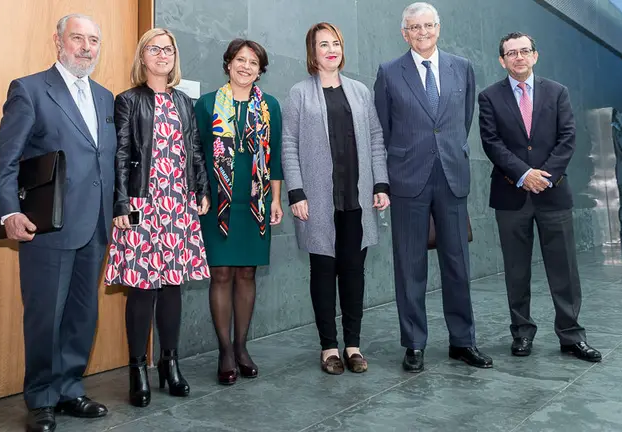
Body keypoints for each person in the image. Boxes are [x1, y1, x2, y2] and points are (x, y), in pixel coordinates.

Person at [0, 13, 114, 432]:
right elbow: (5, 159)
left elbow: (105, 161)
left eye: (93, 40)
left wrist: (117, 210)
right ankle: (41, 397)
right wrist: (9, 212)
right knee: (45, 314)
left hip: (95, 225)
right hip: (49, 226)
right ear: (58, 42)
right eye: (77, 38)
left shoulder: (104, 97)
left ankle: (69, 389)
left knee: (83, 313)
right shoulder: (29, 90)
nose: (86, 47)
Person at [373, 2, 492, 373]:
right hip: (408, 178)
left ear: (438, 27)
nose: (422, 32)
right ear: (404, 33)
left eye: (428, 25)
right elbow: (383, 126)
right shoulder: (389, 72)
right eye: (414, 27)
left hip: (452, 176)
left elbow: (463, 118)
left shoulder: (463, 68)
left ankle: (463, 341)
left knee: (457, 262)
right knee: (410, 266)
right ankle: (414, 344)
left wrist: (447, 150)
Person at [104, 28, 212, 407]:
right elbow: (119, 154)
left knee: (172, 286)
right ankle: (138, 369)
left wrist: (201, 190)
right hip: (141, 203)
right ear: (143, 56)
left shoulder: (184, 102)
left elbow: (195, 151)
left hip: (179, 203)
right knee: (141, 287)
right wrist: (121, 203)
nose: (162, 55)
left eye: (168, 49)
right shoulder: (128, 101)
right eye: (154, 49)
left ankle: (169, 363)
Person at [478, 32, 601, 362]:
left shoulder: (557, 93)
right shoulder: (489, 97)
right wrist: (523, 174)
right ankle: (521, 332)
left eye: (524, 51)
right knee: (516, 270)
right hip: (510, 195)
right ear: (501, 60)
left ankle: (571, 335)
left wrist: (543, 176)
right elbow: (492, 143)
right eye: (510, 53)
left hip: (553, 192)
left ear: (535, 55)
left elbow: (568, 139)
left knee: (564, 270)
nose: (518, 57)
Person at [282, 23, 389, 375]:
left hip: (356, 198)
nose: (331, 49)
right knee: (324, 271)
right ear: (312, 53)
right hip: (316, 199)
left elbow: (375, 138)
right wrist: (295, 191)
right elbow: (288, 145)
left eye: (336, 43)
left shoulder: (359, 92)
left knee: (354, 272)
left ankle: (353, 345)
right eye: (322, 44)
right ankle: (329, 347)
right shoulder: (300, 92)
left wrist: (380, 183)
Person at [194, 39, 284, 385]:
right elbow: (197, 156)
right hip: (217, 203)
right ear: (228, 64)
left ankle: (242, 346)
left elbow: (274, 157)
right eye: (240, 60)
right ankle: (225, 351)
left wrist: (275, 200)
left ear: (260, 70)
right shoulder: (206, 105)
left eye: (253, 62)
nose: (246, 66)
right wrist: (199, 194)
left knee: (246, 273)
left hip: (256, 201)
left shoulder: (270, 106)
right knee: (220, 275)